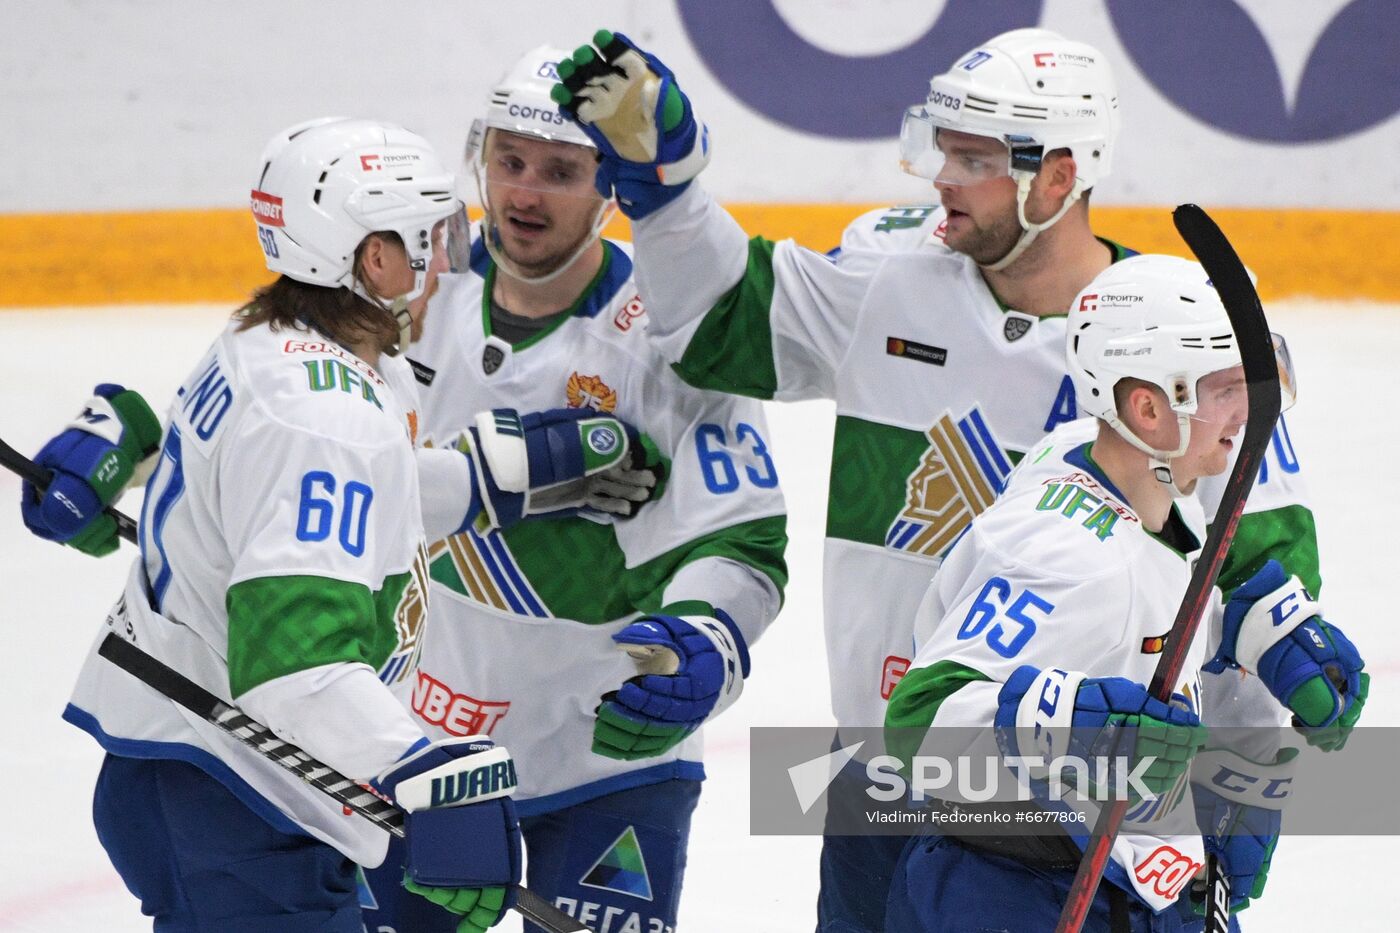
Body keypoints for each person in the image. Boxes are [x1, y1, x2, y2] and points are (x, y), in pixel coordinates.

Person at [550, 27, 1326, 930]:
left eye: (973, 157)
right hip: (884, 773)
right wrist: (670, 190)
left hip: (1074, 822)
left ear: (1059, 177)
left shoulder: (1181, 352)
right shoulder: (891, 275)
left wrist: (1244, 785)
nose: (938, 175)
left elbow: (1268, 594)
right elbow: (719, 323)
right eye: (940, 146)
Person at [22, 117, 662, 932]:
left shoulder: (279, 341)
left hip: (203, 774)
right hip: (226, 797)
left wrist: (501, 476)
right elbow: (297, 666)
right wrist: (427, 768)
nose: (447, 256)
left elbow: (319, 496)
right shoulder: (325, 415)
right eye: (426, 235)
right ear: (372, 257)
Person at [358, 47, 788, 933]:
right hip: (422, 743)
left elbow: (740, 540)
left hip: (607, 756)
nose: (524, 193)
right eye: (510, 162)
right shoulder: (413, 293)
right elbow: (291, 423)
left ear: (611, 186)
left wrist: (705, 640)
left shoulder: (672, 339)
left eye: (560, 171)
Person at [881, 255, 1367, 931]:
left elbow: (1156, 596)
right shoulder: (1068, 555)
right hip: (1012, 893)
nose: (1250, 409)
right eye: (1225, 387)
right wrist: (1077, 728)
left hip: (1111, 875)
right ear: (1147, 406)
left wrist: (1257, 628)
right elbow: (917, 725)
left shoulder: (1123, 470)